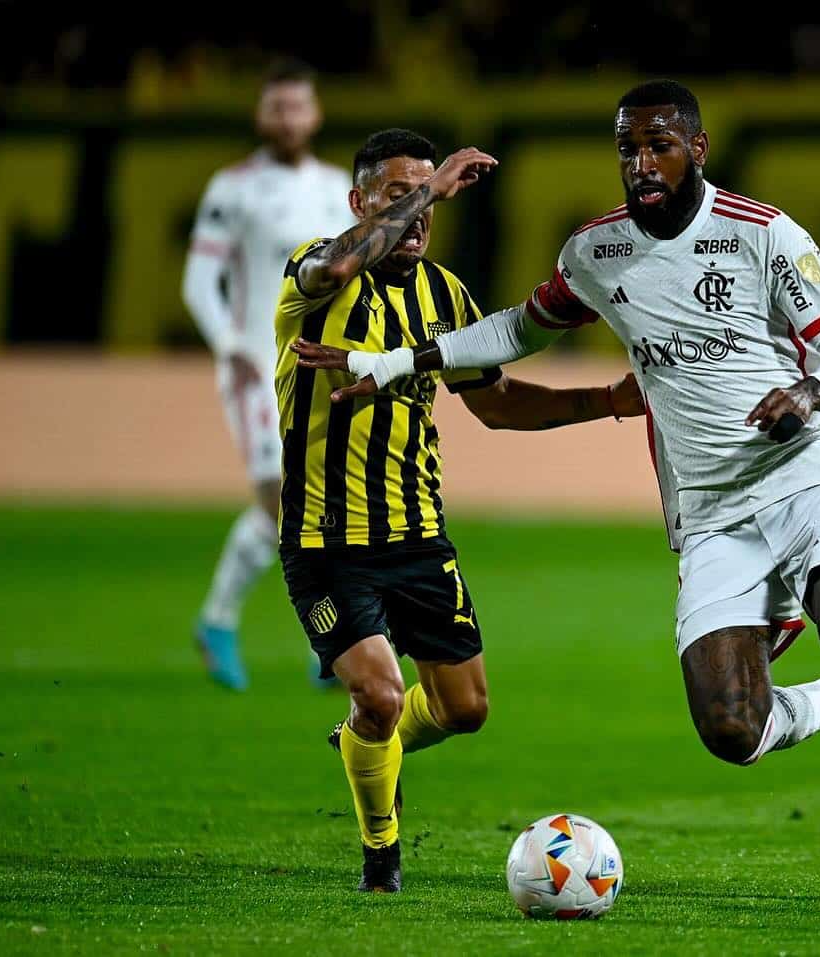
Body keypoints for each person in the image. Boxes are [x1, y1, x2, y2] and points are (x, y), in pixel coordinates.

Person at [294, 81, 820, 911]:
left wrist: (814, 394)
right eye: (627, 149)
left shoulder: (764, 236)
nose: (642, 164)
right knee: (733, 729)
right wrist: (395, 363)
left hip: (807, 475)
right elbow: (518, 330)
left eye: (659, 145)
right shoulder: (597, 253)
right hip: (711, 513)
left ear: (699, 149)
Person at [275, 128, 644, 893]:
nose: (416, 217)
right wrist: (434, 184)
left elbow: (499, 405)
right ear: (359, 202)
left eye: (425, 204)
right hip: (326, 541)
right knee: (378, 692)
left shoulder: (447, 296)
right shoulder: (315, 275)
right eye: (396, 197)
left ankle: (366, 743)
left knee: (465, 707)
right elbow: (343, 259)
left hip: (419, 537)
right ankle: (382, 853)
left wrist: (606, 400)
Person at [182, 58, 353, 690]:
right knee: (281, 501)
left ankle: (324, 641)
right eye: (277, 107)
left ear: (316, 114)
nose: (287, 118)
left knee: (327, 501)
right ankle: (228, 622)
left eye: (297, 106)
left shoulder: (340, 188)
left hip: (325, 366)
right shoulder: (233, 188)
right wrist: (230, 345)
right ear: (262, 114)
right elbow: (199, 280)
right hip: (259, 366)